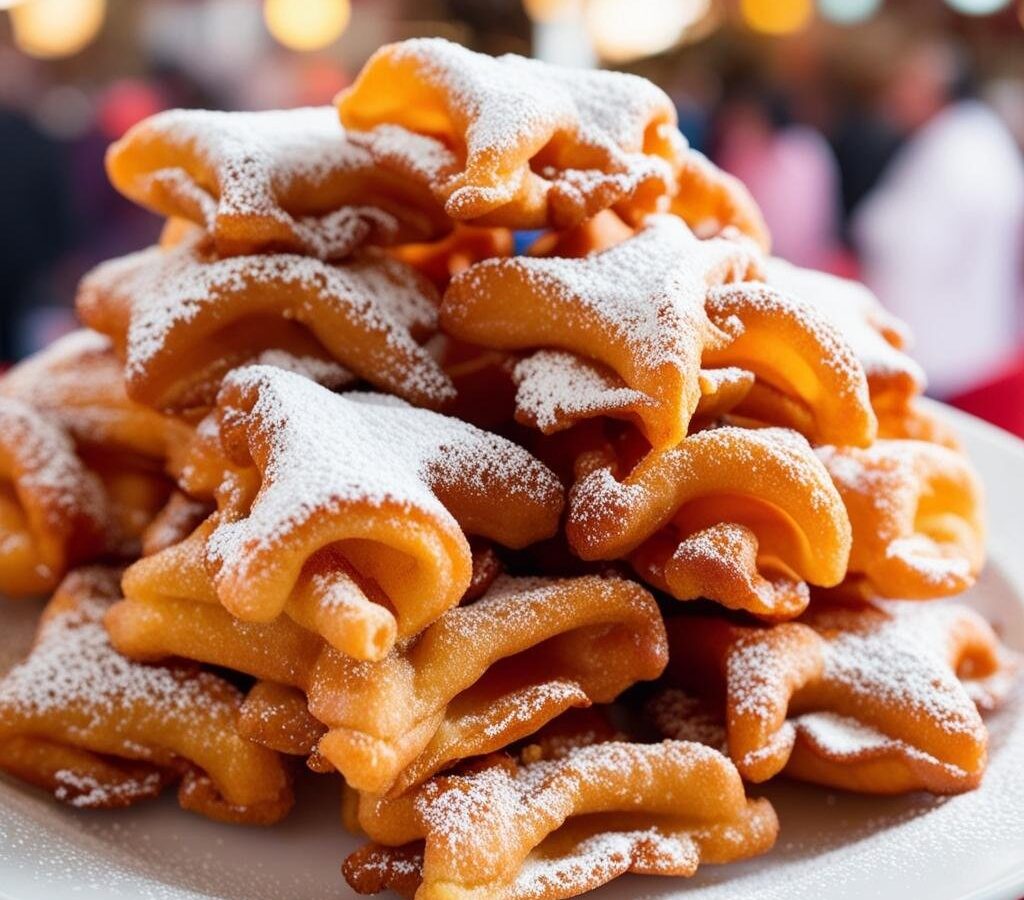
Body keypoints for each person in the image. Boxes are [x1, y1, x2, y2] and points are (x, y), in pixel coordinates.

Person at [852, 40, 1024, 399]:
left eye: (908, 82)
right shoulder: (972, 138)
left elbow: (909, 244)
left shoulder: (956, 151)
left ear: (936, 89)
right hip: (974, 338)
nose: (897, 92)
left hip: (941, 350)